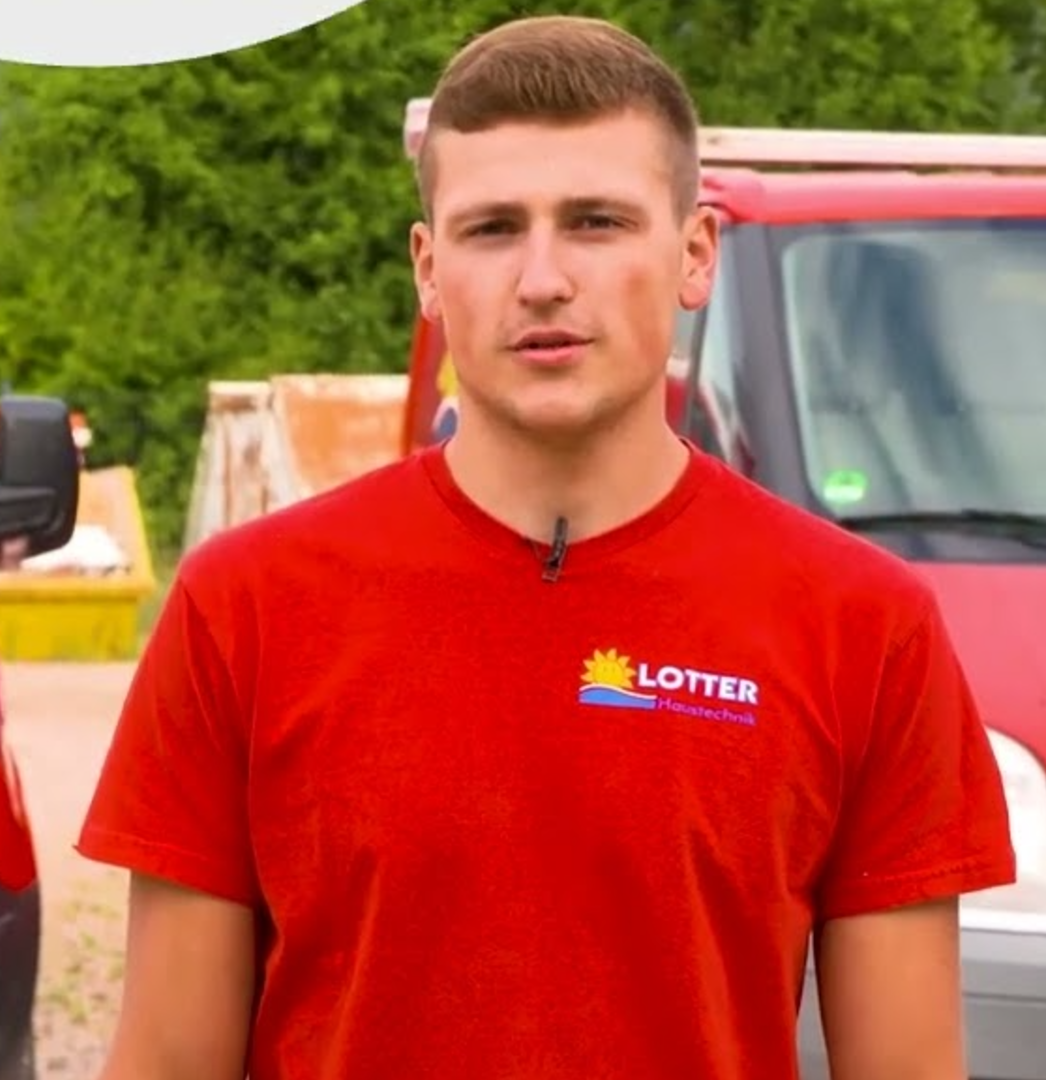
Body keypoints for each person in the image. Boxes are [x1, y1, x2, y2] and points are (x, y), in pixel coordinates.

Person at [75, 13, 1017, 1080]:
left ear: (694, 254)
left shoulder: (864, 627)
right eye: (491, 229)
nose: (542, 278)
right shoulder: (245, 607)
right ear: (429, 270)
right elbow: (165, 1059)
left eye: (596, 222)